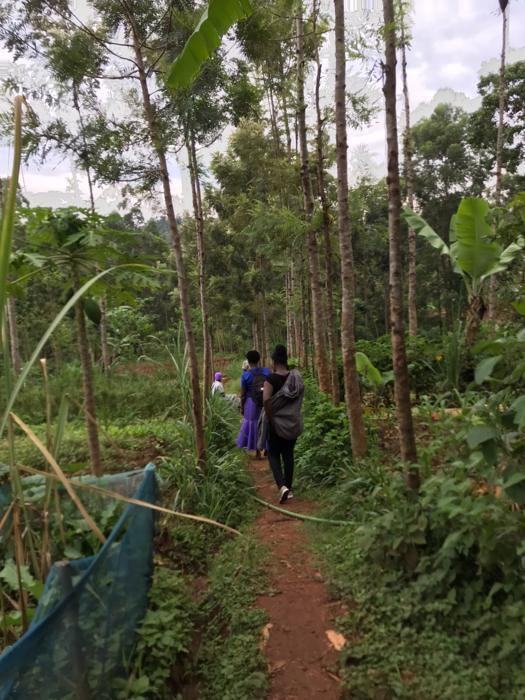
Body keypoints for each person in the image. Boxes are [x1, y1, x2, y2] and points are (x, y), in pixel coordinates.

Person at [258, 344, 304, 503]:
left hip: (276, 425)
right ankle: (289, 488)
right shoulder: (295, 378)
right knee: (288, 455)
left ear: (274, 361)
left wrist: (271, 422)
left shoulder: (270, 379)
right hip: (293, 422)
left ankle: (282, 487)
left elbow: (267, 403)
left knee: (272, 454)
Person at [237, 350, 270, 458]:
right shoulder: (266, 371)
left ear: (248, 361)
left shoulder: (245, 376)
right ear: (259, 359)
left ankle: (257, 452)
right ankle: (267, 448)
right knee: (266, 422)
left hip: (251, 402)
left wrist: (242, 407)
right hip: (265, 400)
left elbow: (242, 395)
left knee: (254, 424)